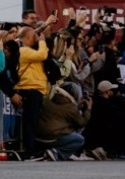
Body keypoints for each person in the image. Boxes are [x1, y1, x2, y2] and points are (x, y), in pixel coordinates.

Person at [12, 13, 60, 159]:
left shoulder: (27, 49)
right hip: (29, 89)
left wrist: (46, 25)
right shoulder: (23, 50)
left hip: (35, 89)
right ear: (27, 37)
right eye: (34, 36)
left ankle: (31, 150)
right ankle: (29, 152)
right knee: (29, 123)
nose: (36, 38)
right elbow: (42, 55)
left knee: (33, 122)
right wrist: (43, 41)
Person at [35, 83, 89, 160]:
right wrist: (88, 110)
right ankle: (57, 153)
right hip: (52, 138)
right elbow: (82, 123)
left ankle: (45, 151)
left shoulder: (48, 101)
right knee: (79, 139)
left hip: (38, 137)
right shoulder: (70, 107)